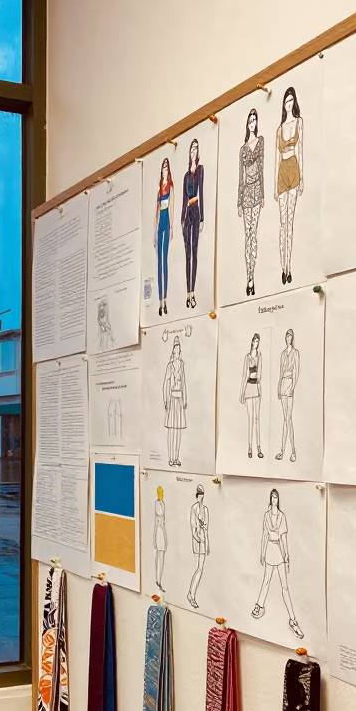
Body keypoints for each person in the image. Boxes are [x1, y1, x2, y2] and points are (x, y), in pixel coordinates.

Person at [252, 488, 301, 638]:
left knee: (284, 587)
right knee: (266, 581)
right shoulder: (266, 516)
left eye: (276, 497)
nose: (274, 500)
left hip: (279, 551)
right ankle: (259, 605)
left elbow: (284, 538)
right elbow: (264, 536)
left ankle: (292, 619)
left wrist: (287, 555)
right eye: (272, 497)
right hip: (269, 551)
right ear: (270, 499)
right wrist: (261, 552)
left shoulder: (282, 516)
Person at [273, 86, 304, 285]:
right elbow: (276, 158)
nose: (289, 104)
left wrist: (303, 179)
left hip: (294, 167)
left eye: (291, 100)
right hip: (282, 170)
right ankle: (282, 266)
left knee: (290, 222)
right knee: (282, 223)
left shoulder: (299, 123)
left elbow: (300, 149)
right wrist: (274, 185)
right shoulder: (279, 129)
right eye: (286, 101)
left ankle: (289, 267)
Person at [237, 108, 264, 297]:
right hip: (246, 193)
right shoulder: (243, 149)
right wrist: (239, 200)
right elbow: (241, 175)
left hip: (257, 190)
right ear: (247, 124)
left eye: (254, 120)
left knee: (253, 234)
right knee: (248, 235)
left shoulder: (260, 142)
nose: (252, 123)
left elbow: (261, 167)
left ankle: (252, 274)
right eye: (250, 120)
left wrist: (262, 193)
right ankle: (249, 276)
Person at [181, 138, 204, 309]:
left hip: (196, 211)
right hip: (188, 212)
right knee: (187, 254)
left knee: (194, 252)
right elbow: (183, 200)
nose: (193, 151)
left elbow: (200, 192)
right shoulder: (186, 175)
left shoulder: (200, 170)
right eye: (191, 149)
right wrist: (182, 219)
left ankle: (193, 292)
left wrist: (202, 217)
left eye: (196, 148)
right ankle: (187, 293)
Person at [154, 157, 175, 317]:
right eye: (163, 168)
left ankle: (165, 300)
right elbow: (156, 213)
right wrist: (154, 233)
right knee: (159, 262)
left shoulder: (171, 187)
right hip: (160, 222)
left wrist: (172, 227)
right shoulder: (159, 190)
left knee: (165, 261)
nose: (165, 170)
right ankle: (159, 301)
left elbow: (172, 207)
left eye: (167, 167)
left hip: (166, 222)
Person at [276, 329, 301, 463]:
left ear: (292, 338)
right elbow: (280, 371)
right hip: (283, 383)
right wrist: (278, 388)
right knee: (285, 419)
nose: (288, 338)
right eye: (287, 336)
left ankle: (292, 451)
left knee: (288, 418)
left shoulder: (295, 353)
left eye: (290, 335)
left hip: (290, 383)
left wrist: (292, 387)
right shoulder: (282, 354)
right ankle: (282, 450)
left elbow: (297, 371)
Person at [162, 336, 187, 466]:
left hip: (180, 399)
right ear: (173, 351)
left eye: (178, 349)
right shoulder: (170, 366)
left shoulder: (182, 365)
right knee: (171, 430)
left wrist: (185, 398)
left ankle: (176, 458)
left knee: (178, 431)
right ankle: (170, 458)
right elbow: (165, 383)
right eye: (175, 349)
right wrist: (165, 399)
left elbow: (184, 383)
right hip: (172, 399)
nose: (177, 351)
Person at [239, 332, 263, 459]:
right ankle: (249, 447)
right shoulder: (247, 357)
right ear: (251, 342)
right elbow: (244, 376)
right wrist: (241, 393)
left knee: (257, 419)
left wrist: (260, 389)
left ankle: (259, 447)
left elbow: (260, 376)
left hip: (256, 388)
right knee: (251, 419)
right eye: (255, 341)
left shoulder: (259, 356)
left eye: (258, 341)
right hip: (248, 388)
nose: (256, 343)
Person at [187, 484, 209, 608]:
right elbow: (193, 527)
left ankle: (191, 594)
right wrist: (197, 537)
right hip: (197, 541)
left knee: (201, 569)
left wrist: (207, 544)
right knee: (198, 569)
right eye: (199, 496)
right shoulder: (194, 508)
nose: (201, 498)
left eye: (202, 496)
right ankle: (191, 594)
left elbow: (207, 529)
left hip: (204, 541)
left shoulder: (205, 509)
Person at [153, 485, 167, 591]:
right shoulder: (158, 504)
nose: (161, 495)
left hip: (161, 533)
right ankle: (158, 579)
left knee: (160, 557)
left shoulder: (162, 503)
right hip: (159, 533)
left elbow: (163, 523)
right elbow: (157, 523)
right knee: (159, 556)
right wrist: (154, 537)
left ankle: (159, 579)